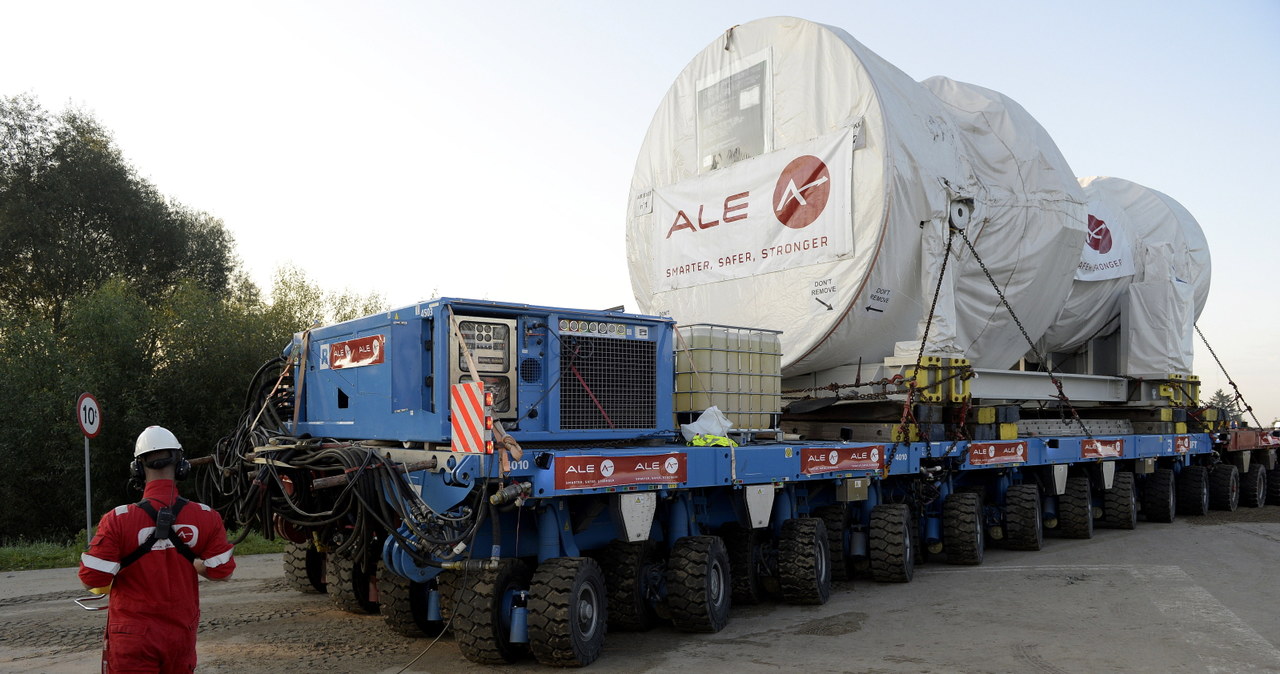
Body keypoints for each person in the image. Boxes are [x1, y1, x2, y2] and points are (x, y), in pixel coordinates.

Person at [78, 426, 236, 673]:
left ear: (138, 468)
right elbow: (222, 572)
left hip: (131, 638)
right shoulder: (207, 517)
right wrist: (191, 560)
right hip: (180, 637)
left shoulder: (117, 519)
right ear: (182, 465)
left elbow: (92, 579)